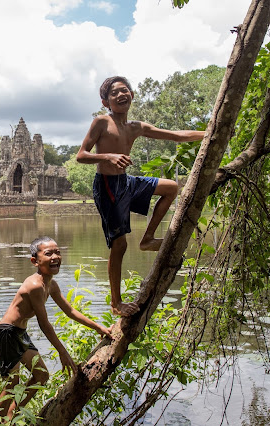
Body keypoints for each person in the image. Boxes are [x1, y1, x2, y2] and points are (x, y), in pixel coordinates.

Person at [77, 76, 205, 317]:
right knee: (120, 244)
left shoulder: (135, 127)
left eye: (124, 90)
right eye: (114, 93)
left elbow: (176, 135)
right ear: (106, 101)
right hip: (107, 186)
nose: (121, 95)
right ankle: (116, 304)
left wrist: (208, 133)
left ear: (132, 95)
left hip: (126, 181)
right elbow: (81, 155)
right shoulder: (101, 123)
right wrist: (108, 157)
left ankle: (147, 239)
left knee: (170, 188)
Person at [0, 236, 112, 421]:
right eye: (48, 253)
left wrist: (98, 328)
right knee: (11, 384)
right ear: (35, 261)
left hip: (19, 333)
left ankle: (11, 417)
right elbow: (44, 322)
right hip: (7, 332)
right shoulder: (34, 286)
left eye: (57, 252)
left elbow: (70, 311)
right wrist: (62, 352)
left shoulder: (51, 285)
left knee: (41, 375)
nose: (55, 257)